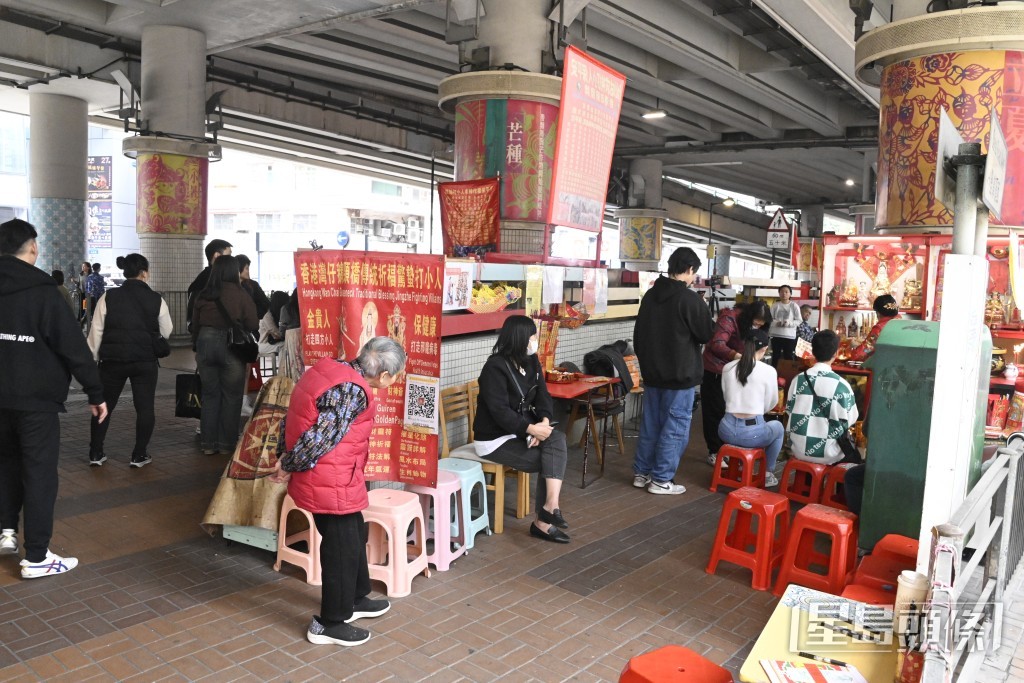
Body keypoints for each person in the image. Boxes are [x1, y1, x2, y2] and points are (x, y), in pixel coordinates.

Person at [269, 336, 406, 647]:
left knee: (353, 534)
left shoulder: (331, 369)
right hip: (328, 481)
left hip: (336, 477)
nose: (394, 381)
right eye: (396, 376)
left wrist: (285, 455)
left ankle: (356, 599)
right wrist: (288, 464)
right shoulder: (351, 390)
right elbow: (319, 437)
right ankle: (329, 622)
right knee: (340, 548)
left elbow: (293, 418)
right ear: (383, 375)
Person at [0, 218, 108, 579]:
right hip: (36, 400)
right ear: (32, 248)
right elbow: (72, 347)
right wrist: (95, 391)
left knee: (5, 463)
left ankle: (6, 533)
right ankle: (36, 557)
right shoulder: (44, 291)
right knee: (39, 472)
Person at [474, 316, 571, 540]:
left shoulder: (531, 361)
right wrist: (530, 430)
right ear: (520, 338)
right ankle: (544, 522)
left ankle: (550, 506)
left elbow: (543, 396)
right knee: (549, 460)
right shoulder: (494, 367)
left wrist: (543, 423)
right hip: (493, 439)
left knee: (557, 439)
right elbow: (499, 411)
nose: (535, 340)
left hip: (522, 431)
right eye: (532, 336)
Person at [632, 247, 715, 494]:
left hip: (652, 375)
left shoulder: (649, 296)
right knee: (674, 428)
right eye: (694, 273)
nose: (693, 279)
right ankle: (661, 479)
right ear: (689, 270)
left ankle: (641, 473)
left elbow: (639, 336)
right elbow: (706, 333)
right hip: (680, 377)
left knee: (651, 425)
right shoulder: (689, 299)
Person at [86, 254, 173, 468]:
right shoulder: (156, 299)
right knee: (144, 408)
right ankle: (139, 455)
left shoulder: (109, 296)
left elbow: (96, 331)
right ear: (144, 273)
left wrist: (94, 358)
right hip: (144, 361)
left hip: (112, 361)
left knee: (104, 404)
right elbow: (167, 330)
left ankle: (96, 453)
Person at [191, 255, 258, 456]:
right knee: (232, 396)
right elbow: (253, 324)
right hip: (232, 346)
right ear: (233, 271)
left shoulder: (203, 294)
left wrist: (198, 345)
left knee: (210, 395)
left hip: (205, 343)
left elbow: (194, 325)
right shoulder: (241, 294)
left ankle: (208, 444)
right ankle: (227, 444)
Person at [701, 300, 772, 467]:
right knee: (714, 411)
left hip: (738, 370)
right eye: (755, 324)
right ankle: (715, 451)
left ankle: (729, 449)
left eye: (760, 326)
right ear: (748, 317)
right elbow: (717, 344)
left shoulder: (755, 326)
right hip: (716, 370)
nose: (756, 327)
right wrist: (738, 356)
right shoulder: (729, 317)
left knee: (731, 410)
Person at [718, 329, 784, 487]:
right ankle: (767, 473)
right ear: (764, 349)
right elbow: (771, 403)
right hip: (752, 434)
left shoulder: (728, 367)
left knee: (750, 431)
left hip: (725, 430)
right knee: (778, 428)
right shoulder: (768, 371)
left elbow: (726, 396)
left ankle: (739, 467)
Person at [786, 330, 860, 466]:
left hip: (798, 449)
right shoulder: (841, 384)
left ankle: (808, 484)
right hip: (829, 454)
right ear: (836, 353)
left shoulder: (798, 380)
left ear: (813, 352)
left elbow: (789, 410)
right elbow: (852, 418)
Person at [186, 238, 232, 334]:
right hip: (215, 334)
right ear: (217, 255)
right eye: (229, 255)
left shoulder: (200, 279)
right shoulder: (208, 280)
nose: (232, 260)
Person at [848, 294, 900, 362]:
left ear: (878, 313)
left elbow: (865, 351)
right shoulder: (901, 324)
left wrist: (853, 350)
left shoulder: (880, 328)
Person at [769, 285, 801, 367]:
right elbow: (769, 319)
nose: (784, 294)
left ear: (790, 294)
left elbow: (799, 320)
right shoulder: (775, 305)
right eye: (782, 292)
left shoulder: (794, 306)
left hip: (789, 336)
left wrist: (789, 323)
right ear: (779, 293)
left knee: (788, 356)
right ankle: (774, 373)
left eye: (786, 292)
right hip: (776, 335)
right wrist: (776, 323)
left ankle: (788, 374)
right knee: (776, 356)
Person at [237, 254, 270, 320]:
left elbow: (266, 303)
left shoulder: (253, 285)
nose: (248, 271)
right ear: (239, 268)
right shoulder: (230, 287)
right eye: (246, 268)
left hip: (254, 322)